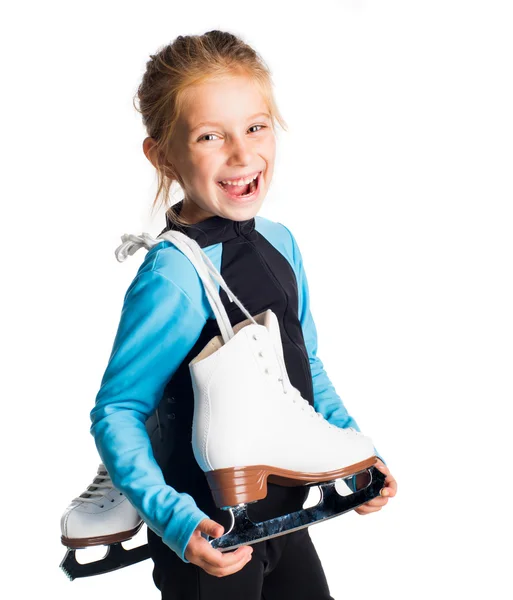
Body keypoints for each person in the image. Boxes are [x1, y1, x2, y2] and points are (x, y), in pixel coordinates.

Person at [89, 30, 397, 599]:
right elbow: (118, 410)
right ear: (162, 155)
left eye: (256, 127)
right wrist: (178, 524)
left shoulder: (281, 242)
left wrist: (353, 451)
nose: (241, 154)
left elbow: (308, 367)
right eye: (211, 136)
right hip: (209, 537)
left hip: (285, 514)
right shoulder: (173, 275)